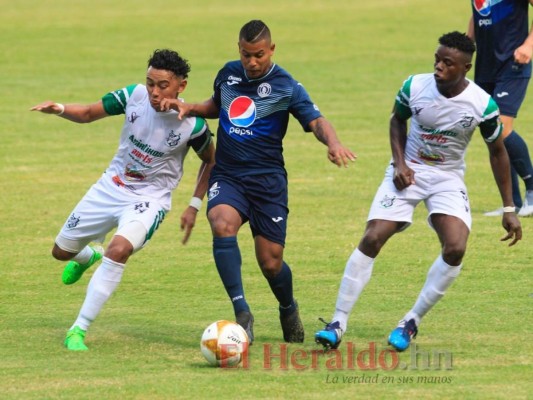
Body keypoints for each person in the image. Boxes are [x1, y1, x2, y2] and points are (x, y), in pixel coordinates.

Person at [315, 32, 522, 352]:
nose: (439, 66)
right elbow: (397, 122)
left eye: (447, 63)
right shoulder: (414, 86)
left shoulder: (482, 104)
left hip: (447, 178)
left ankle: (411, 321)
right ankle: (338, 321)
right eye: (437, 60)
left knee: (455, 247)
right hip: (407, 170)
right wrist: (399, 164)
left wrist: (509, 209)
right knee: (373, 237)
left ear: (466, 67)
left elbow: (498, 152)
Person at [175, 20, 356, 344]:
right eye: (246, 55)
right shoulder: (228, 74)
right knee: (220, 222)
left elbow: (315, 120)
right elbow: (218, 106)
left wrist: (333, 142)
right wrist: (191, 108)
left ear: (271, 50)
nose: (252, 62)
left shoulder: (286, 85)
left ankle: (288, 307)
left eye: (258, 55)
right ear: (239, 51)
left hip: (267, 183)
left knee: (271, 262)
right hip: (229, 175)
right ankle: (242, 312)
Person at [31, 49, 216, 351]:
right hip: (110, 188)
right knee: (60, 252)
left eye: (163, 86)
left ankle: (78, 329)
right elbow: (90, 113)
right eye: (150, 83)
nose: (155, 92)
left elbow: (211, 161)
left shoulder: (191, 125)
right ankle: (88, 256)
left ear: (181, 86)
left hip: (149, 200)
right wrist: (60, 108)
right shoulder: (134, 96)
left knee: (118, 250)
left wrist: (194, 204)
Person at [468, 0, 533, 217]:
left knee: (502, 128)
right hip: (486, 65)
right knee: (491, 132)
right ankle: (511, 202)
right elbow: (477, 13)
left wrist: (529, 45)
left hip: (513, 64)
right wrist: (467, 44)